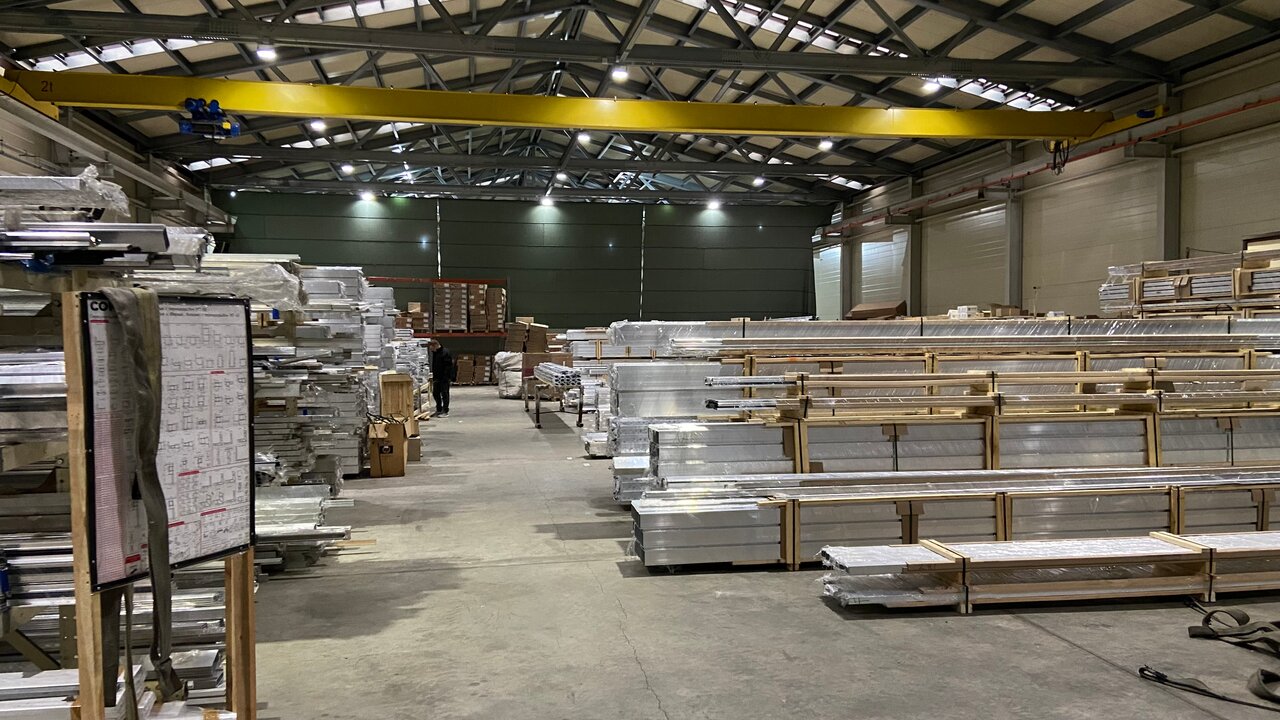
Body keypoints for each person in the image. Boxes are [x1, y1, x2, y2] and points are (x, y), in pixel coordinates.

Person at [427, 338, 456, 417]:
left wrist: (446, 377)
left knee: (444, 393)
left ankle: (445, 411)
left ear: (435, 345)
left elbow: (448, 366)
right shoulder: (435, 353)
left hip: (444, 377)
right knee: (435, 393)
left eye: (431, 348)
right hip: (437, 377)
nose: (431, 350)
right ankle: (439, 409)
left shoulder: (445, 353)